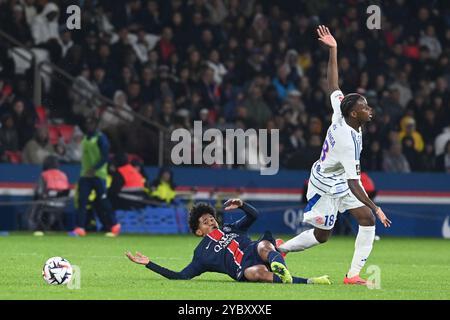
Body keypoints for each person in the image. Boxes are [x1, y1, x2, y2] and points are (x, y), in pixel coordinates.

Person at [277, 26, 391, 285]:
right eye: (364, 107)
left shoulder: (342, 113)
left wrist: (334, 50)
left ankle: (352, 275)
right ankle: (281, 249)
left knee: (365, 219)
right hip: (325, 184)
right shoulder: (346, 141)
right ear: (354, 113)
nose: (368, 109)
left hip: (339, 179)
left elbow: (333, 84)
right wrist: (377, 206)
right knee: (322, 236)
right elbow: (354, 182)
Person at [126, 199, 331, 285]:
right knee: (256, 274)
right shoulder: (201, 255)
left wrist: (242, 204)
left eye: (212, 218)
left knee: (262, 245)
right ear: (199, 232)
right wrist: (149, 264)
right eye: (205, 222)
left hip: (254, 250)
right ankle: (310, 281)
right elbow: (181, 277)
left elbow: (254, 216)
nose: (210, 221)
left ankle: (280, 264)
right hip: (243, 268)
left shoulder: (230, 228)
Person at [69, 116, 121, 237]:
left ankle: (114, 224)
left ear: (95, 125)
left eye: (91, 124)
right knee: (82, 201)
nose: (89, 126)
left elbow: (105, 157)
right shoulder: (86, 139)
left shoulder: (101, 138)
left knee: (103, 201)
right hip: (85, 174)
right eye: (87, 124)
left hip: (98, 174)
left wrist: (94, 168)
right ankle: (80, 227)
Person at [29, 155, 70, 232]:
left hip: (47, 203)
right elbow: (66, 191)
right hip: (62, 204)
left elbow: (39, 192)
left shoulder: (44, 174)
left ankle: (35, 228)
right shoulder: (63, 175)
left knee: (34, 209)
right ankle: (53, 226)